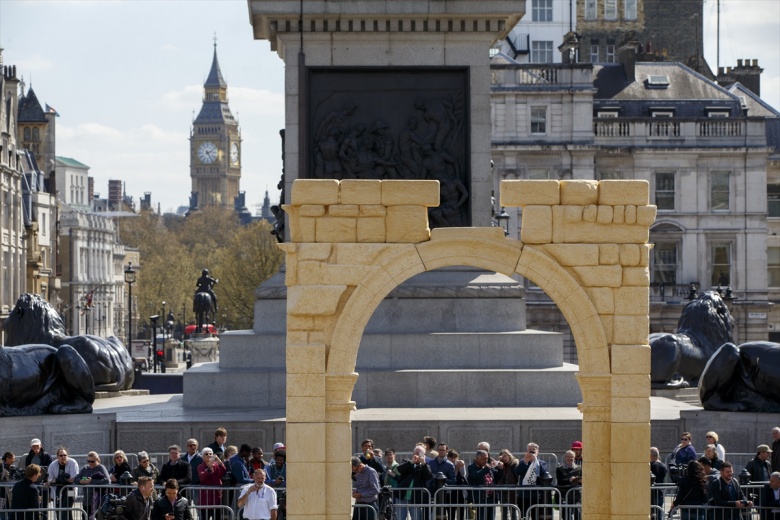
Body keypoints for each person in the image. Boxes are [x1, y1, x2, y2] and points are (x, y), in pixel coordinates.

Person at [395, 445, 432, 520]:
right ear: (413, 453)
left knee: (416, 518)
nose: (418, 455)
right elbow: (399, 470)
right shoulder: (407, 462)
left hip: (415, 499)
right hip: (402, 496)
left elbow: (428, 476)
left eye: (420, 453)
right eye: (416, 453)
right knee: (399, 518)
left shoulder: (424, 466)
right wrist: (411, 462)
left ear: (423, 455)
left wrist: (424, 464)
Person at [515, 443, 549, 519]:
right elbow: (517, 472)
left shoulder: (542, 463)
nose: (531, 452)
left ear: (538, 451)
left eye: (533, 450)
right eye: (530, 450)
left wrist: (535, 461)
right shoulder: (522, 462)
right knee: (523, 516)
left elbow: (543, 473)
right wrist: (525, 462)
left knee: (536, 517)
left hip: (536, 495)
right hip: (523, 494)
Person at [76, 451, 110, 519]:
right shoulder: (85, 468)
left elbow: (107, 480)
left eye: (92, 461)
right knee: (85, 517)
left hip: (98, 501)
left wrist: (92, 481)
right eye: (88, 461)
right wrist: (81, 481)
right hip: (87, 501)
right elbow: (76, 479)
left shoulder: (101, 468)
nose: (90, 463)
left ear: (97, 460)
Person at [47, 447, 78, 520]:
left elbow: (74, 478)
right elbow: (49, 478)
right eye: (61, 455)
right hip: (57, 489)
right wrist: (58, 480)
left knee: (66, 509)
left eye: (65, 455)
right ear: (57, 457)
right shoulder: (52, 465)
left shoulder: (72, 462)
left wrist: (64, 480)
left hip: (70, 489)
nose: (63, 457)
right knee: (58, 510)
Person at [197, 448, 226, 520]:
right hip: (205, 497)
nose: (209, 455)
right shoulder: (201, 466)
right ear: (203, 456)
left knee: (217, 517)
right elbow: (202, 476)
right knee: (205, 517)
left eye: (210, 454)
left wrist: (219, 461)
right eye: (206, 454)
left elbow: (223, 472)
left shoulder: (216, 465)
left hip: (216, 496)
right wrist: (209, 468)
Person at [467, 449, 497, 520]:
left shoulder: (487, 467)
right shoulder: (471, 467)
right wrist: (487, 468)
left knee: (491, 517)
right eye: (484, 459)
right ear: (477, 459)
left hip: (491, 498)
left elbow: (497, 476)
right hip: (480, 499)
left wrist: (501, 469)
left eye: (487, 458)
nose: (486, 460)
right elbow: (476, 475)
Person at [496, 449, 520, 520]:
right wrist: (499, 464)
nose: (504, 458)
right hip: (502, 489)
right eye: (502, 456)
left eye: (505, 456)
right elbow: (497, 475)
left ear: (509, 456)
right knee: (504, 510)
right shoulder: (499, 465)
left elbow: (517, 476)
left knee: (513, 509)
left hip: (512, 489)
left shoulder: (513, 464)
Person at [650, 448, 668, 514]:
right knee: (659, 513)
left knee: (653, 513)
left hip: (653, 494)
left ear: (651, 455)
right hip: (660, 492)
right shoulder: (663, 465)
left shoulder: (653, 466)